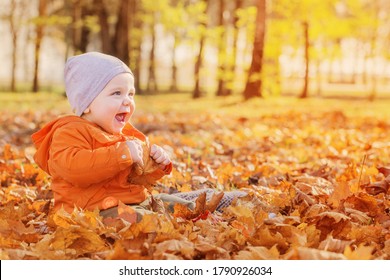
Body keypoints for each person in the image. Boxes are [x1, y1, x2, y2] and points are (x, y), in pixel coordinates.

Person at [32, 52, 246, 221]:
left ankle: (220, 204)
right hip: (90, 212)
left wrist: (155, 165)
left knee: (169, 202)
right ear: (86, 103)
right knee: (151, 220)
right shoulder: (70, 131)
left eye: (130, 93)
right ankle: (206, 213)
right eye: (117, 93)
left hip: (130, 202)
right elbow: (73, 168)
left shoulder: (122, 133)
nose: (127, 100)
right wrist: (121, 155)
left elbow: (135, 179)